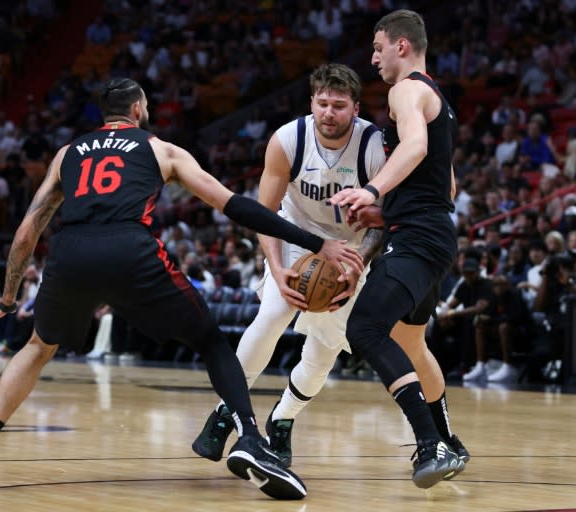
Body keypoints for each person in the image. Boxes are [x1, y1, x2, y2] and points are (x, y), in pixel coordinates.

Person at [0, 77, 364, 500]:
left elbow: (25, 234)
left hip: (71, 250)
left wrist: (7, 299)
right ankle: (249, 439)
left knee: (39, 346)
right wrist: (318, 243)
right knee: (210, 341)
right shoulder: (159, 149)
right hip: (130, 249)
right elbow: (234, 206)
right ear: (137, 110)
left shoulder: (67, 154)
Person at [192, 63, 468, 472]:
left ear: (355, 109)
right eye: (322, 103)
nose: (329, 113)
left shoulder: (375, 146)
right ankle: (224, 415)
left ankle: (282, 420)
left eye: (339, 106)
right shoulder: (288, 140)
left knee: (325, 350)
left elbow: (391, 216)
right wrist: (275, 267)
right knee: (272, 314)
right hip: (294, 239)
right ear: (311, 103)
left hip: (349, 251)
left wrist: (361, 263)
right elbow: (262, 213)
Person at [329, 10, 466, 488]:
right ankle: (450, 439)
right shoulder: (437, 98)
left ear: (402, 46)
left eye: (377, 47)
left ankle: (431, 445)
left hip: (420, 237)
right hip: (427, 231)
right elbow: (446, 185)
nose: (373, 57)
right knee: (410, 341)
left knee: (365, 329)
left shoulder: (406, 90)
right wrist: (388, 214)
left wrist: (371, 190)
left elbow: (413, 148)